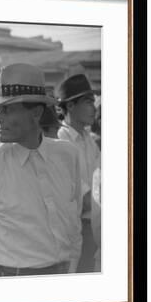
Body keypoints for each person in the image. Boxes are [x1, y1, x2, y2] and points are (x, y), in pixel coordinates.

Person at [0, 63, 83, 277]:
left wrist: (72, 270)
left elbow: (74, 223)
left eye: (7, 109)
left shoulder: (68, 155)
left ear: (36, 113)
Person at [56, 74, 101, 273]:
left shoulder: (88, 139)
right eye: (88, 101)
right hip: (75, 228)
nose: (94, 107)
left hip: (94, 224)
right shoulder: (60, 139)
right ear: (70, 106)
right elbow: (82, 197)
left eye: (94, 101)